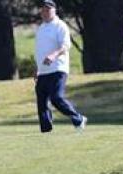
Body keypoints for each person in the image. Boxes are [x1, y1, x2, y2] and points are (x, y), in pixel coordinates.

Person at [34, 0, 87, 133]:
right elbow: (40, 50)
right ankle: (46, 130)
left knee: (56, 98)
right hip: (43, 71)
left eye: (48, 9)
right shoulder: (41, 28)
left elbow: (65, 46)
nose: (45, 12)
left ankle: (78, 118)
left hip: (58, 68)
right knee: (41, 102)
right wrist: (37, 69)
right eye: (43, 9)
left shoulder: (60, 26)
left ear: (54, 10)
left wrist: (53, 55)